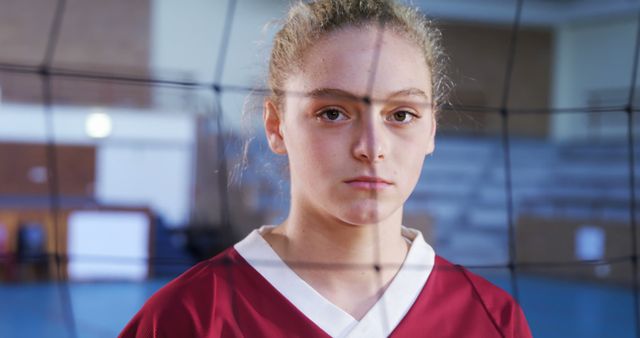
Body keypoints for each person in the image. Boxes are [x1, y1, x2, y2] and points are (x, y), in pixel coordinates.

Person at [119, 0, 533, 337]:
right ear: (276, 126)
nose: (371, 147)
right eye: (333, 113)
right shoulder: (186, 318)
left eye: (402, 114)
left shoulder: (493, 319)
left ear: (432, 131)